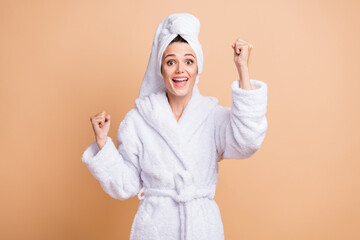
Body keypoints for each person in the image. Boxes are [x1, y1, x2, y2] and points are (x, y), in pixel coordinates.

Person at [82, 13, 268, 240]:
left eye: (189, 61)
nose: (180, 70)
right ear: (160, 70)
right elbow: (126, 184)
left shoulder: (212, 117)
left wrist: (243, 70)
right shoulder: (137, 121)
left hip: (202, 229)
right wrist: (103, 143)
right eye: (171, 62)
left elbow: (247, 141)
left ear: (198, 68)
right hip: (156, 229)